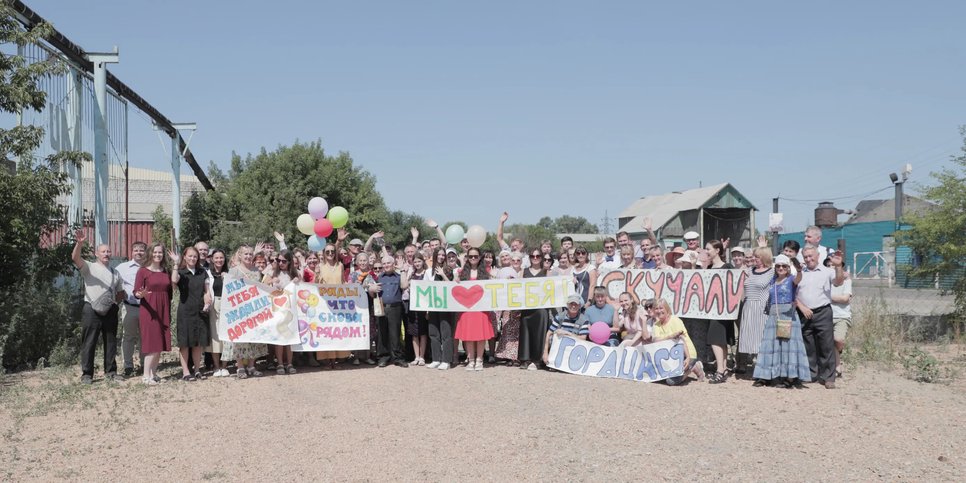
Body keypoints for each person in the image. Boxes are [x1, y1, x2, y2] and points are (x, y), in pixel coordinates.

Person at [71, 229, 125, 384]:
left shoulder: (115, 273)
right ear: (96, 254)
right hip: (91, 310)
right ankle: (87, 374)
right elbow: (75, 258)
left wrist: (115, 302)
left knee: (111, 341)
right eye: (103, 251)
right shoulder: (89, 267)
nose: (106, 254)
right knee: (89, 342)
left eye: (108, 251)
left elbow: (120, 292)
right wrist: (79, 243)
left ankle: (111, 372)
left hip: (110, 310)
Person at [753, 254, 811, 388]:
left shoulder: (791, 279)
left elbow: (799, 279)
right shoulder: (773, 280)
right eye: (778, 266)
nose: (780, 268)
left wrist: (800, 270)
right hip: (773, 315)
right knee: (769, 345)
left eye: (784, 266)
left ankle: (789, 377)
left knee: (787, 346)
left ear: (788, 268)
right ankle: (765, 375)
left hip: (788, 315)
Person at [797, 247, 846, 389]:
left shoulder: (827, 271)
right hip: (804, 312)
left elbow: (839, 281)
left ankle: (828, 377)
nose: (808, 259)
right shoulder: (800, 273)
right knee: (808, 345)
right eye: (805, 257)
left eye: (811, 256)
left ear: (818, 256)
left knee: (826, 345)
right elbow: (794, 292)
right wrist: (802, 307)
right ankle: (812, 374)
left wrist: (838, 266)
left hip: (823, 311)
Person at [170, 246, 212, 382]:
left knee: (198, 342)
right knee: (185, 343)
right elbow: (174, 281)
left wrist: (207, 302)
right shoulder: (181, 272)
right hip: (185, 312)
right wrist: (176, 263)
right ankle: (186, 372)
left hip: (200, 312)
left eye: (195, 256)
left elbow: (206, 292)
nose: (193, 258)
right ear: (185, 257)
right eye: (190, 256)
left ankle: (197, 370)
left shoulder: (202, 272)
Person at [134, 243, 173, 385]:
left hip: (163, 308)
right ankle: (146, 376)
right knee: (152, 343)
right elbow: (136, 292)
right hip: (149, 310)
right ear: (150, 253)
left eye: (160, 253)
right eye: (155, 252)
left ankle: (154, 373)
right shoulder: (143, 271)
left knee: (160, 342)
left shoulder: (165, 271)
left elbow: (170, 292)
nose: (158, 255)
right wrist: (140, 294)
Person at [228, 245, 267, 379]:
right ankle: (240, 367)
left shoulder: (257, 271)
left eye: (250, 254)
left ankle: (251, 365)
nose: (248, 256)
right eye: (246, 254)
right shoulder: (234, 271)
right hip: (240, 311)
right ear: (240, 255)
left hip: (255, 309)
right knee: (240, 339)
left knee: (254, 338)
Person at [454, 247, 495, 371]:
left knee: (481, 335)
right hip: (467, 308)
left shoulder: (487, 271)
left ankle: (480, 359)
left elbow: (493, 287)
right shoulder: (461, 272)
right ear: (467, 258)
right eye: (470, 256)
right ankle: (471, 360)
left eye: (475, 256)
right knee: (469, 335)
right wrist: (456, 280)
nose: (473, 258)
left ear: (479, 257)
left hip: (481, 308)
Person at [650, 299, 705, 385]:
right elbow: (654, 340)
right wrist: (670, 337)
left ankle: (693, 366)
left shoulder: (675, 320)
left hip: (685, 353)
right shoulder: (656, 325)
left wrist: (688, 357)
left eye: (661, 308)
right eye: (656, 308)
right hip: (669, 357)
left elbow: (681, 339)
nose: (659, 311)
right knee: (655, 378)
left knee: (670, 381)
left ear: (667, 309)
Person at [263, 249, 300, 375]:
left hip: (291, 311)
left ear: (290, 262)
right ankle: (279, 363)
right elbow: (262, 284)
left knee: (289, 338)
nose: (280, 263)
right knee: (279, 338)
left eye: (284, 261)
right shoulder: (273, 273)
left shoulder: (294, 274)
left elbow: (302, 288)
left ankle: (289, 363)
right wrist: (271, 282)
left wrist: (296, 282)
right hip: (277, 310)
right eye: (278, 260)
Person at [316, 243, 353, 367]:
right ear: (324, 254)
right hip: (325, 304)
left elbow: (342, 281)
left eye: (332, 251)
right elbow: (316, 285)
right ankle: (328, 359)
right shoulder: (320, 266)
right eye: (327, 252)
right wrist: (316, 274)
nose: (330, 254)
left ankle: (337, 357)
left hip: (339, 303)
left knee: (337, 330)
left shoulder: (340, 265)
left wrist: (349, 286)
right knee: (327, 331)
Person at [704, 239, 734, 384]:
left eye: (708, 248)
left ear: (717, 250)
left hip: (723, 309)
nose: (706, 251)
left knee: (716, 338)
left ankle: (720, 370)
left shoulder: (728, 266)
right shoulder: (709, 268)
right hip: (712, 309)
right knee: (720, 340)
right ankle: (723, 368)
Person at [373, 254, 410, 368]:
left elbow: (404, 285)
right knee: (382, 333)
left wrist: (403, 270)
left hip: (395, 308)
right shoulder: (378, 277)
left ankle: (397, 358)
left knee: (395, 334)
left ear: (393, 264)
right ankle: (383, 357)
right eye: (384, 263)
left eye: (388, 263)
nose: (386, 265)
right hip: (382, 307)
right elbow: (371, 290)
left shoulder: (399, 276)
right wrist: (371, 288)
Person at [117, 241, 147, 377]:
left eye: (141, 250)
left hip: (147, 308)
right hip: (130, 307)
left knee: (144, 337)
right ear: (132, 252)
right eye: (136, 250)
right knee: (128, 336)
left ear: (145, 252)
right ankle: (128, 365)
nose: (139, 253)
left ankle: (144, 364)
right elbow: (113, 282)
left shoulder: (150, 267)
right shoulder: (122, 268)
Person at [518, 249, 549, 371]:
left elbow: (555, 287)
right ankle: (525, 359)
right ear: (529, 257)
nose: (535, 258)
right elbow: (518, 287)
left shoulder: (547, 272)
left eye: (537, 256)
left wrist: (569, 281)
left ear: (541, 257)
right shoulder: (523, 271)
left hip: (541, 308)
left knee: (539, 333)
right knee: (525, 332)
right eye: (532, 255)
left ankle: (537, 360)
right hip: (527, 307)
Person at [426, 247, 457, 370]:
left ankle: (446, 360)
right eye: (439, 254)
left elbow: (452, 287)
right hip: (432, 306)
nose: (441, 257)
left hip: (445, 305)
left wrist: (443, 274)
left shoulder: (450, 270)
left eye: (443, 255)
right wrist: (427, 309)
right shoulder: (428, 271)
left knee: (446, 333)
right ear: (434, 256)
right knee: (433, 333)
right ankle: (436, 359)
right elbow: (425, 289)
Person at [205, 249, 232, 377]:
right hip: (214, 305)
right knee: (215, 337)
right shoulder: (207, 274)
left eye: (221, 258)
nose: (219, 260)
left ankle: (224, 366)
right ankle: (216, 367)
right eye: (216, 258)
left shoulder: (230, 273)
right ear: (212, 259)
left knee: (227, 336)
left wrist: (228, 279)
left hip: (228, 306)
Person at [349, 252, 379, 365]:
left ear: (368, 262)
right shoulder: (352, 275)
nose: (362, 262)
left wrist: (372, 289)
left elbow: (373, 293)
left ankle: (367, 356)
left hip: (368, 306)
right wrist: (354, 286)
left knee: (369, 331)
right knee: (356, 331)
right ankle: (355, 356)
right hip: (356, 307)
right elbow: (348, 290)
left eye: (364, 260)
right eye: (360, 260)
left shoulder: (371, 276)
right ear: (357, 262)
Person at [542, 294, 590, 365]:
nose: (573, 306)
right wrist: (545, 352)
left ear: (579, 306)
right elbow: (548, 333)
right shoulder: (559, 317)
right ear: (567, 305)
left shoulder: (584, 320)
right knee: (551, 337)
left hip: (574, 348)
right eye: (571, 304)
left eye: (576, 304)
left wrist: (567, 333)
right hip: (558, 347)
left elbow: (583, 338)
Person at [829, 257, 852, 378]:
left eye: (834, 266)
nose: (831, 268)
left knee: (838, 339)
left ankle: (838, 353)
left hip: (842, 316)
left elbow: (845, 299)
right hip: (828, 315)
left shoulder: (846, 280)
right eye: (829, 266)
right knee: (830, 342)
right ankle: (837, 367)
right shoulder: (826, 281)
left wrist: (828, 297)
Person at [406, 254, 430, 365]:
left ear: (423, 261)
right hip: (413, 307)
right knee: (414, 333)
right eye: (415, 262)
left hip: (423, 307)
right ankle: (416, 356)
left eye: (419, 261)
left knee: (423, 333)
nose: (417, 264)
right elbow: (405, 286)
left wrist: (428, 311)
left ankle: (422, 356)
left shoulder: (427, 273)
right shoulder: (411, 274)